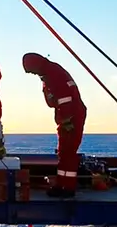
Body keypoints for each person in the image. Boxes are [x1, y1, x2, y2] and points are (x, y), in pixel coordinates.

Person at [22, 53, 87, 198]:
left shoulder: (52, 73)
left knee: (68, 152)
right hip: (66, 116)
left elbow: (65, 98)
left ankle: (68, 188)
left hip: (71, 115)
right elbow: (52, 101)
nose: (33, 74)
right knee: (63, 152)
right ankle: (62, 184)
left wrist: (67, 119)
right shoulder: (48, 74)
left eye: (32, 71)